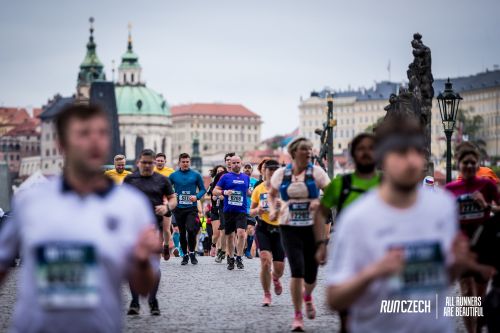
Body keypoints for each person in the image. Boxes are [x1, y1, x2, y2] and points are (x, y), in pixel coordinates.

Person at [0, 104, 162, 332]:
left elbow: (144, 287)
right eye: (84, 133)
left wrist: (143, 260)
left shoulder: (131, 205)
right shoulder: (31, 201)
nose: (95, 141)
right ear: (62, 143)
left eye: (102, 133)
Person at [324, 118, 494, 333]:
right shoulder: (358, 218)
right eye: (402, 152)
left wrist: (455, 265)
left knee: (473, 293)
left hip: (437, 325)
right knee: (467, 292)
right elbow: (335, 298)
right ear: (382, 158)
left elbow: (438, 279)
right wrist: (375, 271)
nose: (413, 161)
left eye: (417, 151)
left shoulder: (442, 205)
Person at [314, 132, 380, 333]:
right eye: (361, 149)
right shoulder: (341, 184)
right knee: (346, 303)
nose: (366, 153)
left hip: (379, 249)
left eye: (371, 149)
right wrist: (321, 244)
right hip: (348, 250)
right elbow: (320, 213)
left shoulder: (387, 182)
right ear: (353, 154)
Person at [268, 137, 330, 331]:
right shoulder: (281, 173)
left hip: (312, 226)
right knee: (297, 269)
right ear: (294, 152)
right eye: (304, 149)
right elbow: (271, 194)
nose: (309, 152)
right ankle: (297, 315)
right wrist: (272, 209)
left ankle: (308, 296)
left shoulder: (317, 172)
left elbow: (331, 193)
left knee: (311, 273)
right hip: (289, 225)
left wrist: (320, 203)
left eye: (310, 149)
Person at [445, 142, 500, 333]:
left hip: (483, 246)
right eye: (464, 162)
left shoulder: (487, 185)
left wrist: (486, 206)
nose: (468, 166)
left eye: (472, 163)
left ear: (477, 165)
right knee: (467, 293)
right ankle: (471, 332)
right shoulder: (450, 189)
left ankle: (478, 328)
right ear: (458, 164)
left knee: (481, 294)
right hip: (462, 248)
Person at [123, 149, 177, 316]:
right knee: (135, 265)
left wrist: (166, 207)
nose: (146, 166)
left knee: (154, 266)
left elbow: (173, 198)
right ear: (139, 162)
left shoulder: (162, 180)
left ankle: (153, 300)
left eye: (150, 163)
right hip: (134, 228)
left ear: (155, 163)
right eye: (144, 162)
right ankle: (135, 301)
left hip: (154, 227)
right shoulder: (130, 179)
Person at [250, 159, 285, 306]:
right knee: (265, 260)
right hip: (263, 227)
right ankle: (267, 294)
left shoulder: (284, 188)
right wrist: (258, 210)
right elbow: (250, 211)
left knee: (279, 268)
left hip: (281, 230)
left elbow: (293, 207)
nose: (270, 173)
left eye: (273, 171)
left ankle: (275, 278)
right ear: (263, 172)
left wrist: (282, 205)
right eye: (268, 170)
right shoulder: (259, 189)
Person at [169, 153, 207, 265]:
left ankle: (192, 253)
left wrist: (197, 197)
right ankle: (184, 255)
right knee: (181, 232)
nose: (185, 164)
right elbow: (166, 188)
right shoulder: (173, 176)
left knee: (191, 230)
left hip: (191, 208)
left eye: (187, 162)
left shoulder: (196, 175)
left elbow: (203, 189)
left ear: (189, 162)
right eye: (183, 162)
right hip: (178, 208)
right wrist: (172, 194)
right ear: (179, 163)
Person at [213, 155, 250, 270]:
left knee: (242, 234)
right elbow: (215, 191)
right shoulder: (225, 177)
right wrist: (224, 192)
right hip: (228, 211)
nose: (236, 165)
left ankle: (239, 257)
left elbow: (247, 191)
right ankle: (230, 258)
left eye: (238, 162)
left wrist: (251, 193)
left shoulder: (246, 177)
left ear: (241, 163)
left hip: (242, 210)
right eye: (233, 163)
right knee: (230, 236)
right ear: (230, 164)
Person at [154, 152, 175, 260]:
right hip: (154, 203)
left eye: (162, 160)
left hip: (166, 203)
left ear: (165, 162)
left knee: (166, 229)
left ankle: (166, 245)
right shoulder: (151, 172)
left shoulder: (170, 172)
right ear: (155, 161)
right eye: (158, 160)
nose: (160, 162)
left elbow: (175, 186)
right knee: (156, 228)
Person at [206, 165, 228, 260]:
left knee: (223, 231)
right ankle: (213, 244)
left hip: (223, 209)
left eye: (222, 171)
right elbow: (206, 196)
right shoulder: (212, 184)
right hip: (215, 210)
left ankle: (221, 250)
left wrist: (224, 196)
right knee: (216, 233)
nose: (220, 173)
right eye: (218, 171)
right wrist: (213, 197)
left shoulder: (227, 183)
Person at [244, 162, 259, 259]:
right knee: (240, 232)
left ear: (252, 170)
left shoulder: (255, 182)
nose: (247, 169)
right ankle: (240, 249)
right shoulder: (239, 180)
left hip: (251, 209)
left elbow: (257, 195)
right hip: (240, 209)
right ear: (243, 169)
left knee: (250, 229)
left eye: (249, 168)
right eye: (245, 168)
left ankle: (248, 250)